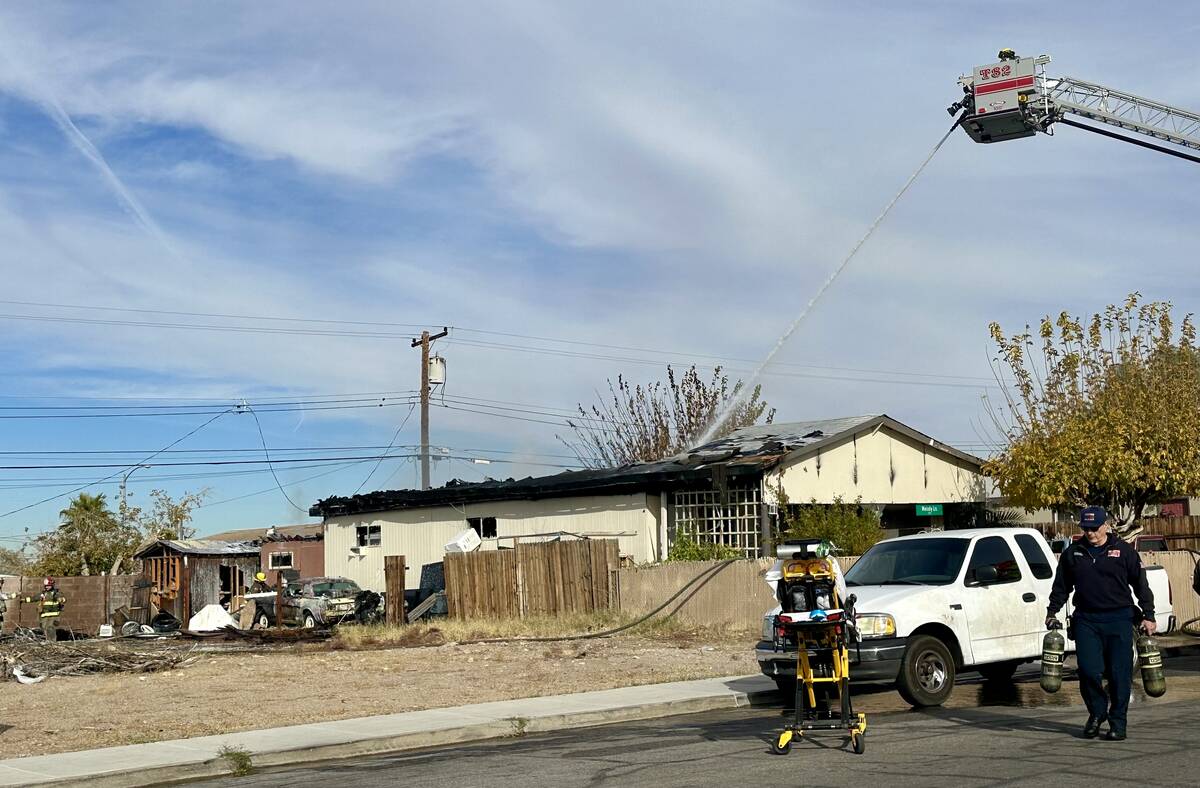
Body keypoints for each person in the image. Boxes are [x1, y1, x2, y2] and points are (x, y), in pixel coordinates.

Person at [1046, 506, 1155, 741]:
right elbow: (1061, 586)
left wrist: (1149, 615)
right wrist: (1052, 611)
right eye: (1086, 529)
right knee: (1088, 670)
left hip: (1119, 619)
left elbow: (1141, 585)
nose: (1091, 533)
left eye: (1095, 528)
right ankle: (1096, 713)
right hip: (1087, 620)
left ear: (1106, 526)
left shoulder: (1123, 551)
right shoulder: (1073, 554)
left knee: (1118, 673)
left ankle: (1118, 721)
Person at [28, 577, 66, 642]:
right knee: (44, 628)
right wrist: (24, 600)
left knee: (50, 628)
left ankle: (52, 642)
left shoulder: (56, 593)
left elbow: (62, 599)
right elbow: (34, 598)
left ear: (52, 585)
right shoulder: (43, 594)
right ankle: (48, 641)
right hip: (44, 615)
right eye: (46, 586)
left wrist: (61, 599)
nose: (47, 587)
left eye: (49, 586)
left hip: (54, 615)